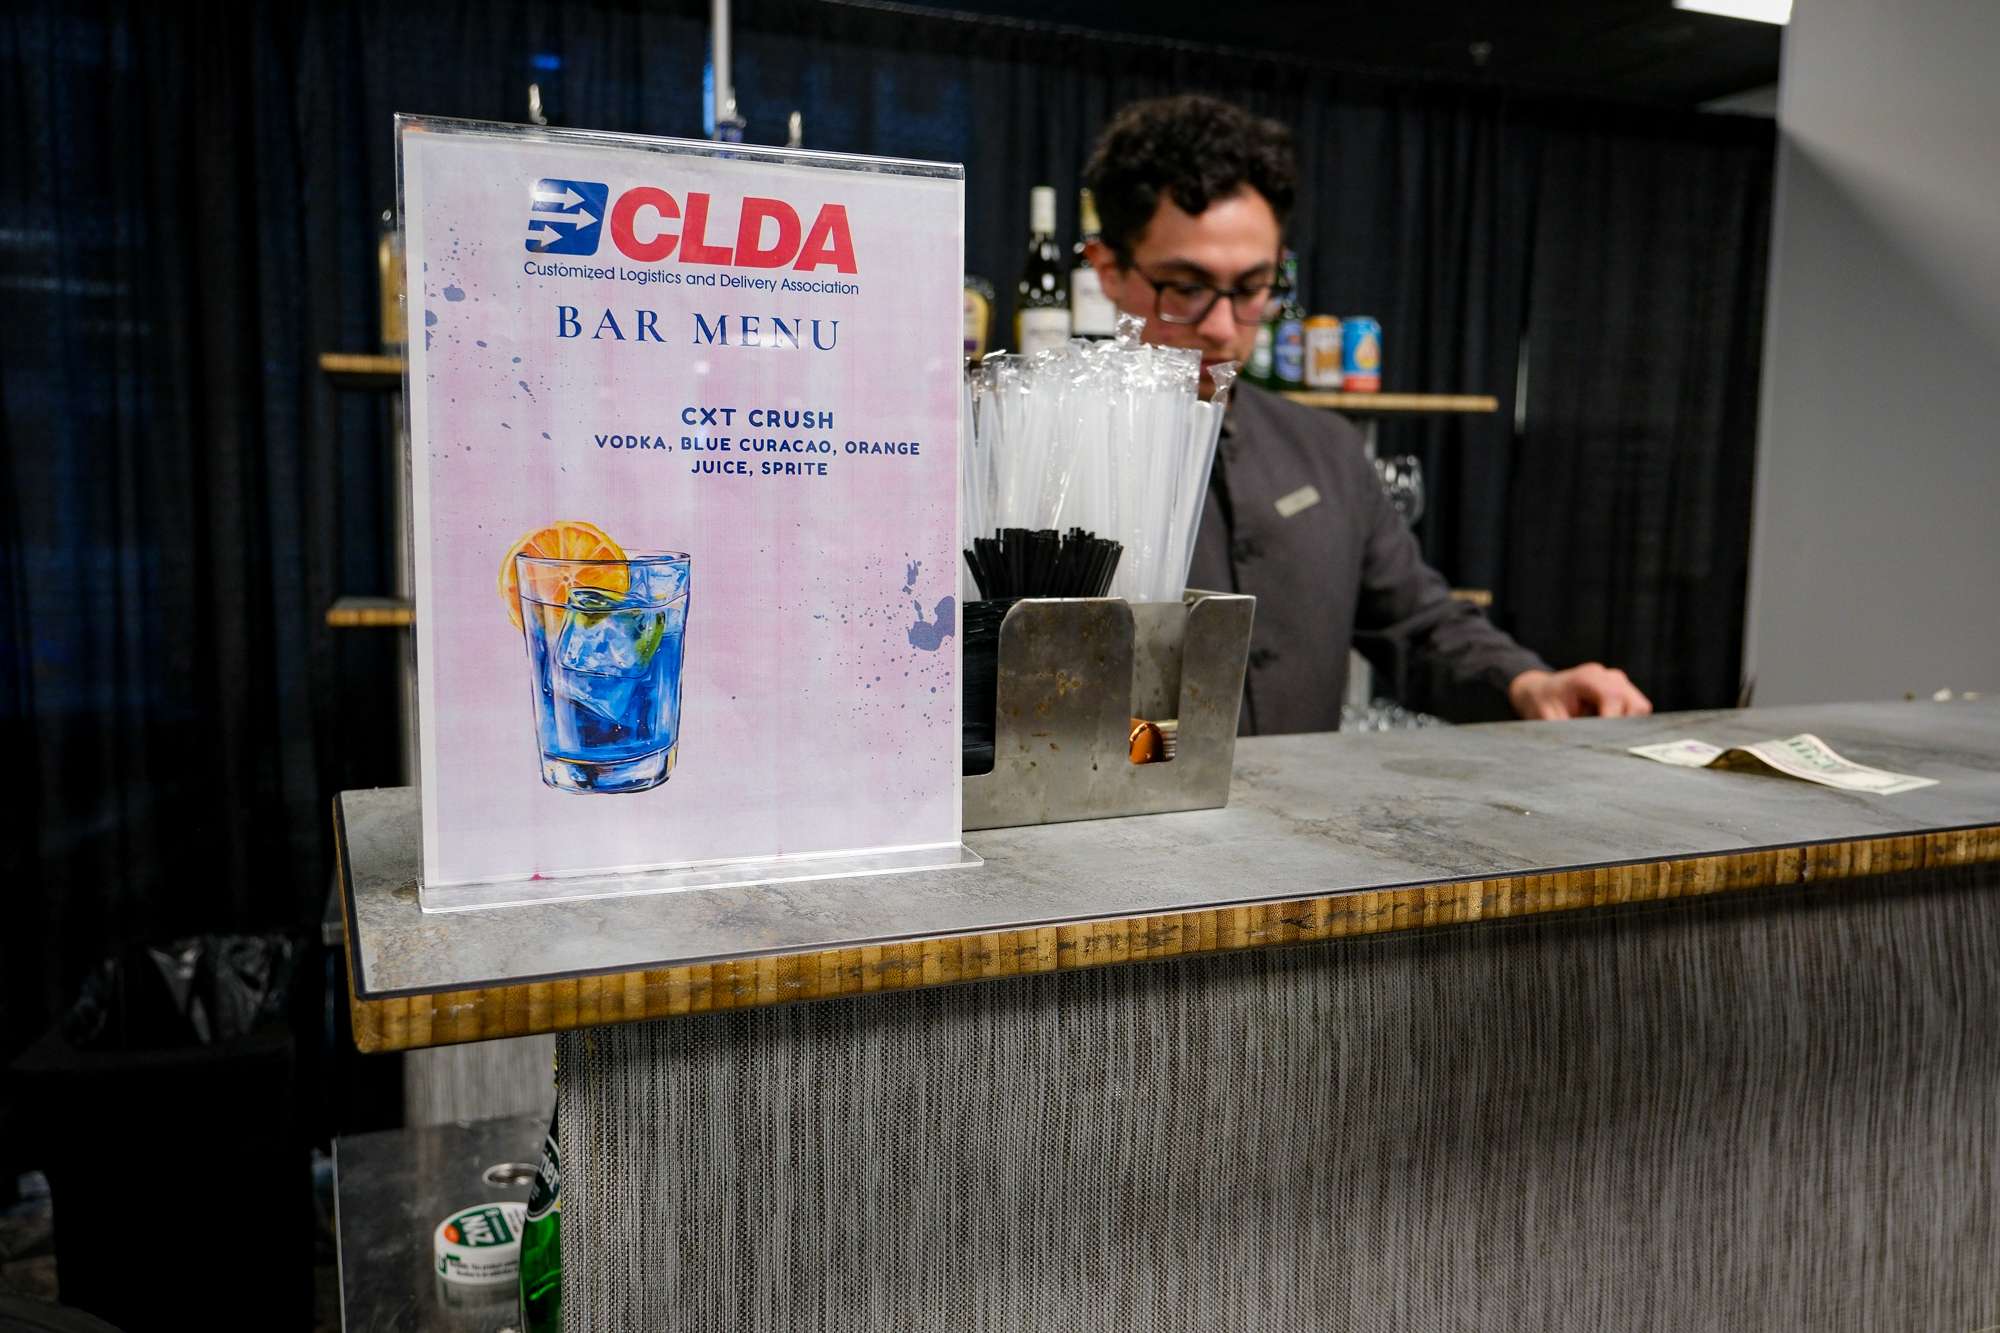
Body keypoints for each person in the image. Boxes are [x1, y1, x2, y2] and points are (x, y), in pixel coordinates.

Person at [1082, 94, 1652, 735]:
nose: (1221, 326)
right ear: (1108, 270)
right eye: (1185, 288)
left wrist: (1527, 683)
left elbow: (1418, 622)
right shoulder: (1051, 460)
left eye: (1250, 288)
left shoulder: (1325, 447)